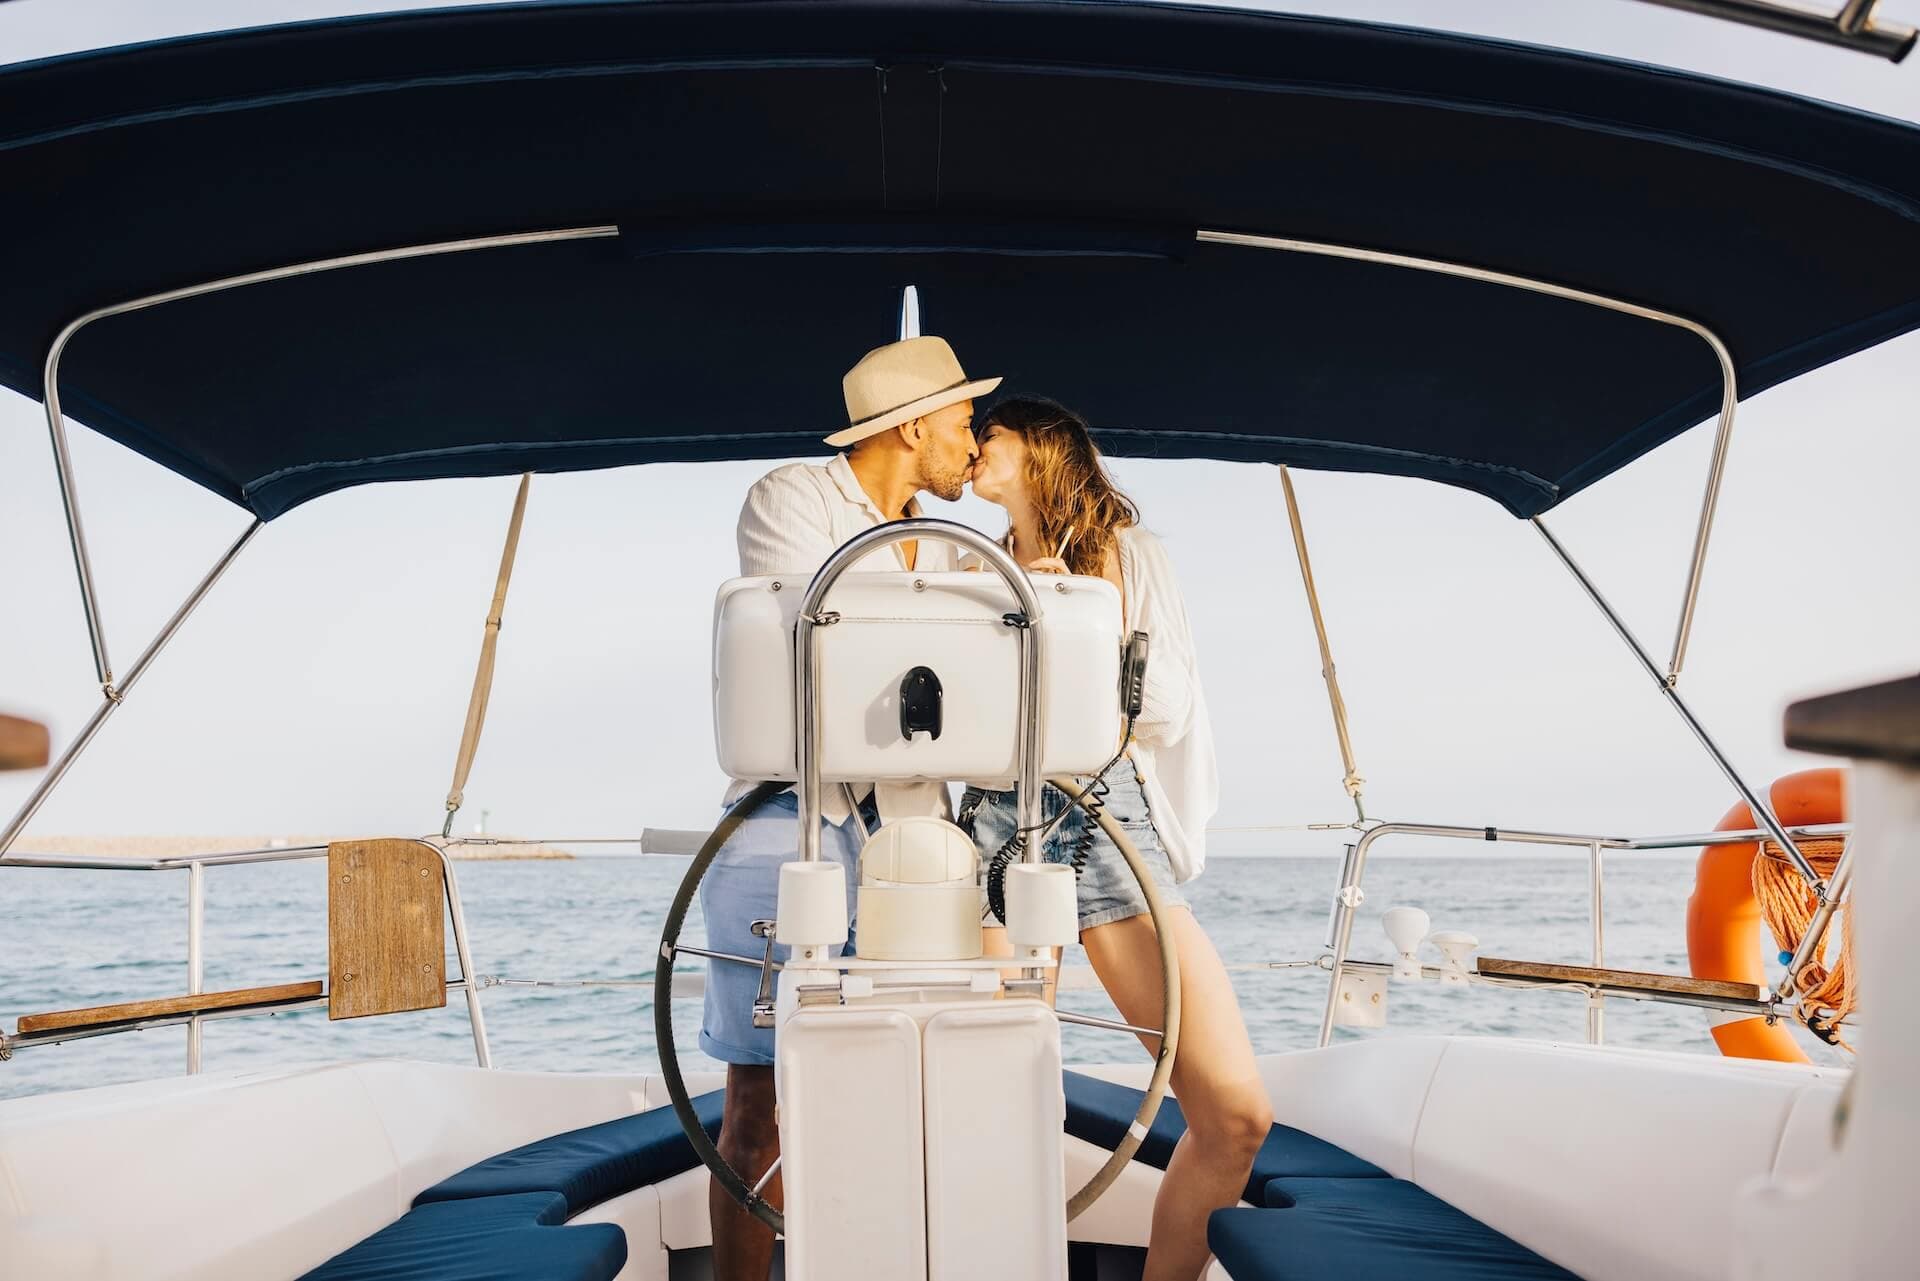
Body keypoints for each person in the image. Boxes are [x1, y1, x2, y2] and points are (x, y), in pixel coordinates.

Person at [703, 334, 997, 1281]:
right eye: (962, 421)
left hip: (916, 834)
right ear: (911, 427)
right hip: (790, 817)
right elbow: (819, 646)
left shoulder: (954, 542)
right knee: (757, 1102)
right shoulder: (791, 499)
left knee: (904, 1081)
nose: (974, 441)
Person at [961, 395, 1270, 1281]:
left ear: (1042, 445)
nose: (974, 444)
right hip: (992, 822)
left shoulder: (1130, 554)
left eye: (991, 432)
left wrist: (1072, 610)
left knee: (1236, 1116)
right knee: (996, 1113)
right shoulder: (970, 566)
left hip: (1103, 814)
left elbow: (1165, 706)